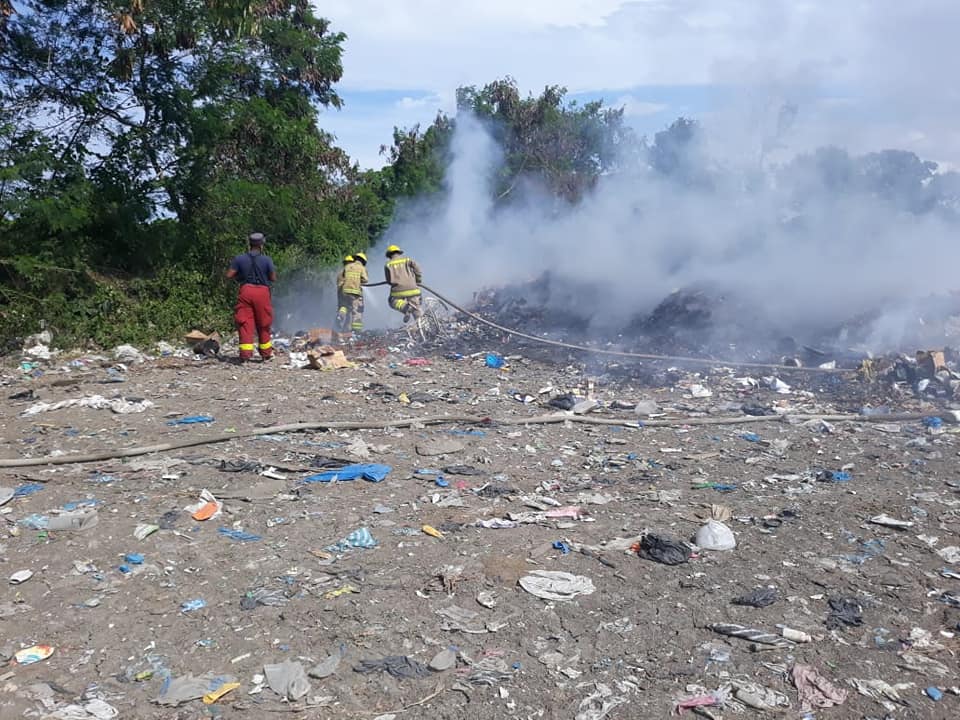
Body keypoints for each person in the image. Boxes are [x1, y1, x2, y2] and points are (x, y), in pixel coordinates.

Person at [226, 232, 276, 361]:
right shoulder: (267, 260)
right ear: (261, 245)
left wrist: (240, 277)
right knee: (264, 323)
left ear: (249, 244)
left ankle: (245, 355)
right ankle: (266, 353)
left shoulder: (239, 259)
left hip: (246, 291)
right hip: (262, 292)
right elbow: (273, 278)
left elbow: (229, 275)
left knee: (245, 322)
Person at [384, 244, 422, 322]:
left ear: (389, 255)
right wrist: (418, 280)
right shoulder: (407, 260)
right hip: (413, 289)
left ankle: (405, 308)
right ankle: (422, 324)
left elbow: (388, 281)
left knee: (392, 301)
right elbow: (417, 268)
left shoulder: (388, 264)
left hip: (398, 291)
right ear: (399, 253)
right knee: (416, 308)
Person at [338, 252, 368, 341]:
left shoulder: (347, 267)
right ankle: (355, 333)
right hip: (355, 292)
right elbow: (365, 280)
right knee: (356, 311)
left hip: (344, 292)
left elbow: (343, 279)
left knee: (345, 307)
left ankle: (340, 316)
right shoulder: (361, 268)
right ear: (363, 261)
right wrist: (359, 281)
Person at [334, 254, 354, 338]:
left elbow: (338, 284)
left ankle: (340, 317)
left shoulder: (340, 273)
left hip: (341, 293)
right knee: (350, 310)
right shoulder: (353, 272)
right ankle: (347, 329)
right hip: (351, 293)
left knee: (343, 307)